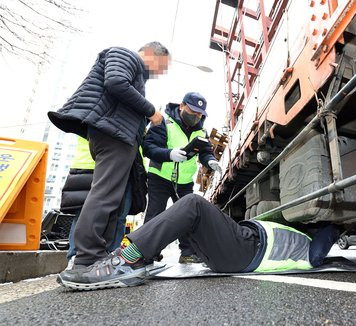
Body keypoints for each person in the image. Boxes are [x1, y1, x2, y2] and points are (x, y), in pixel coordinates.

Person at [48, 42, 170, 272]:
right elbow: (115, 82)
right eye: (161, 66)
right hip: (113, 136)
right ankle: (86, 258)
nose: (159, 72)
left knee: (111, 199)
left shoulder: (135, 71)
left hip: (116, 136)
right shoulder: (125, 54)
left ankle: (99, 255)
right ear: (152, 53)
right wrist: (151, 111)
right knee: (105, 196)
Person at [57, 194, 340, 290]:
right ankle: (136, 258)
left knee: (193, 204)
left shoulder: (310, 249)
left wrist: (336, 225)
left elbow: (321, 249)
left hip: (247, 252)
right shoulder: (299, 235)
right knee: (189, 213)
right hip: (240, 247)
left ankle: (126, 259)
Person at [142, 92, 222, 263]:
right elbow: (148, 147)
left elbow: (205, 152)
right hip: (160, 177)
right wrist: (169, 154)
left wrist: (211, 162)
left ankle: (188, 253)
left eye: (200, 114)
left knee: (188, 215)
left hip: (184, 181)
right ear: (182, 106)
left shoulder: (201, 130)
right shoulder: (164, 122)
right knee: (155, 215)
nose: (196, 116)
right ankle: (148, 253)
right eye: (193, 112)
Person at [59, 136, 133, 266]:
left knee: (118, 217)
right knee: (86, 212)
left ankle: (109, 260)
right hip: (93, 165)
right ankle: (77, 259)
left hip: (124, 169)